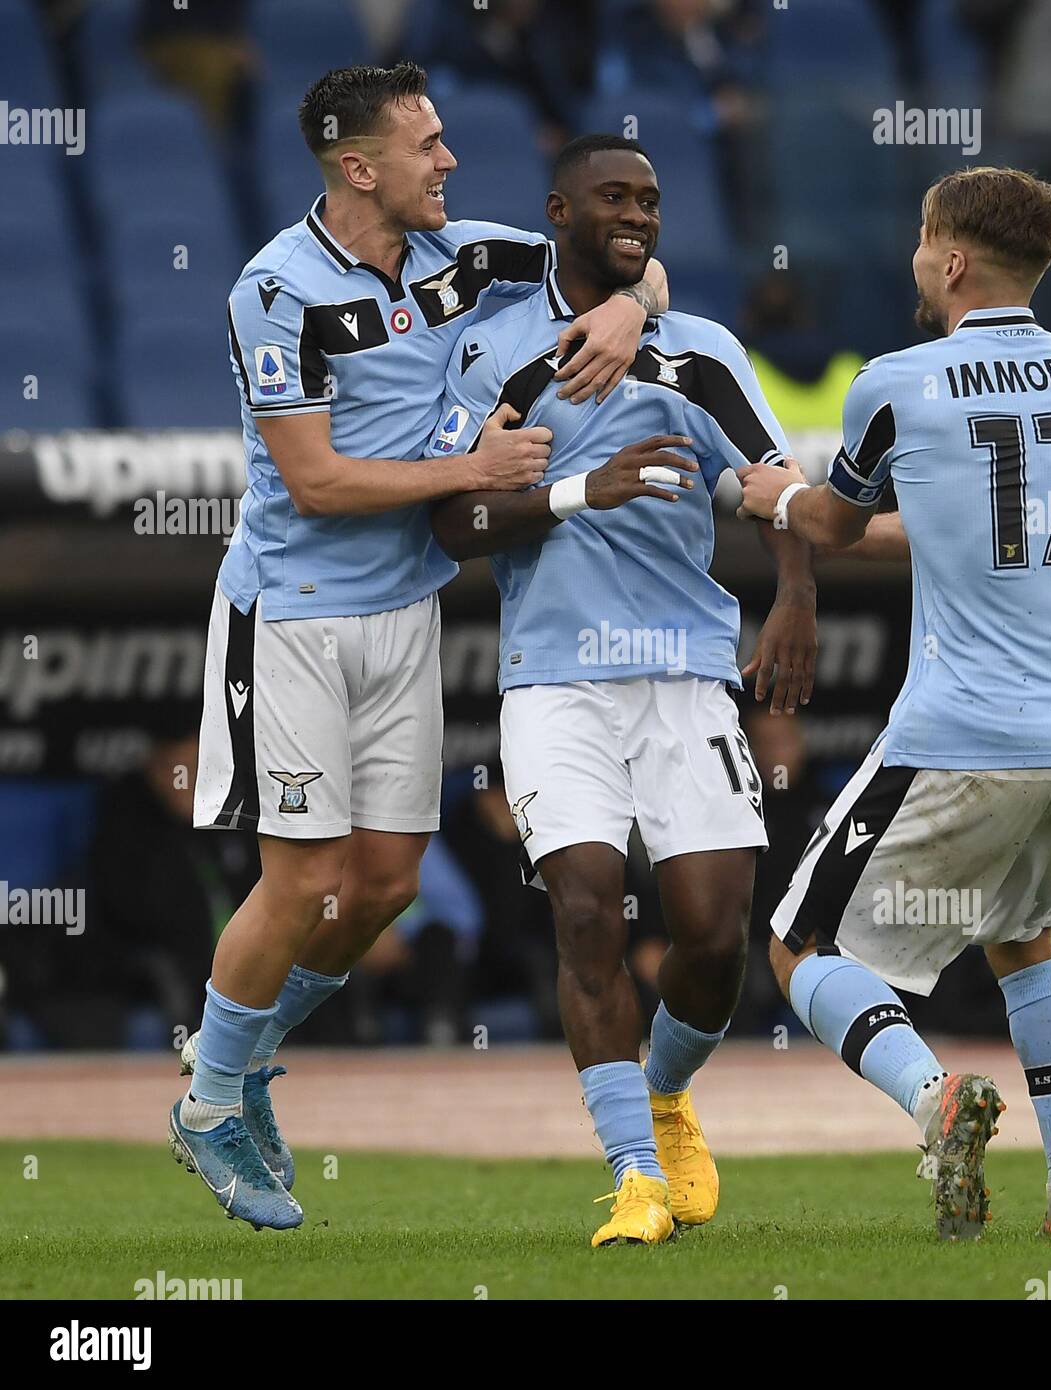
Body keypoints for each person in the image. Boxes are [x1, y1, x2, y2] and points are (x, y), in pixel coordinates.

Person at [171, 62, 670, 1231]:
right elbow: (316, 477)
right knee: (302, 882)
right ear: (360, 169)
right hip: (292, 609)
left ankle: (235, 1062)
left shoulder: (469, 256)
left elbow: (622, 249)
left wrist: (629, 304)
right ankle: (205, 1104)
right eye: (427, 145)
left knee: (388, 885)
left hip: (408, 607)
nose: (450, 162)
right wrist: (475, 469)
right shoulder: (275, 290)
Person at [429, 134, 816, 1246]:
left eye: (649, 197)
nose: (637, 213)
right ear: (560, 210)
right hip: (554, 680)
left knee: (711, 935)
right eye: (613, 196)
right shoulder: (500, 353)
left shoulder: (699, 351)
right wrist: (573, 492)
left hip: (689, 673)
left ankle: (665, 1091)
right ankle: (636, 1175)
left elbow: (772, 484)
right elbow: (452, 521)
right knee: (590, 912)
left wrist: (796, 589)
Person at [738, 165, 1051, 1241]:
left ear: (951, 259)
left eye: (923, 238)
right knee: (1027, 937)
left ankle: (933, 1099)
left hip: (969, 729)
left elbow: (831, 523)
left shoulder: (898, 381)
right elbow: (989, 525)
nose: (916, 257)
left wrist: (769, 491)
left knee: (797, 940)